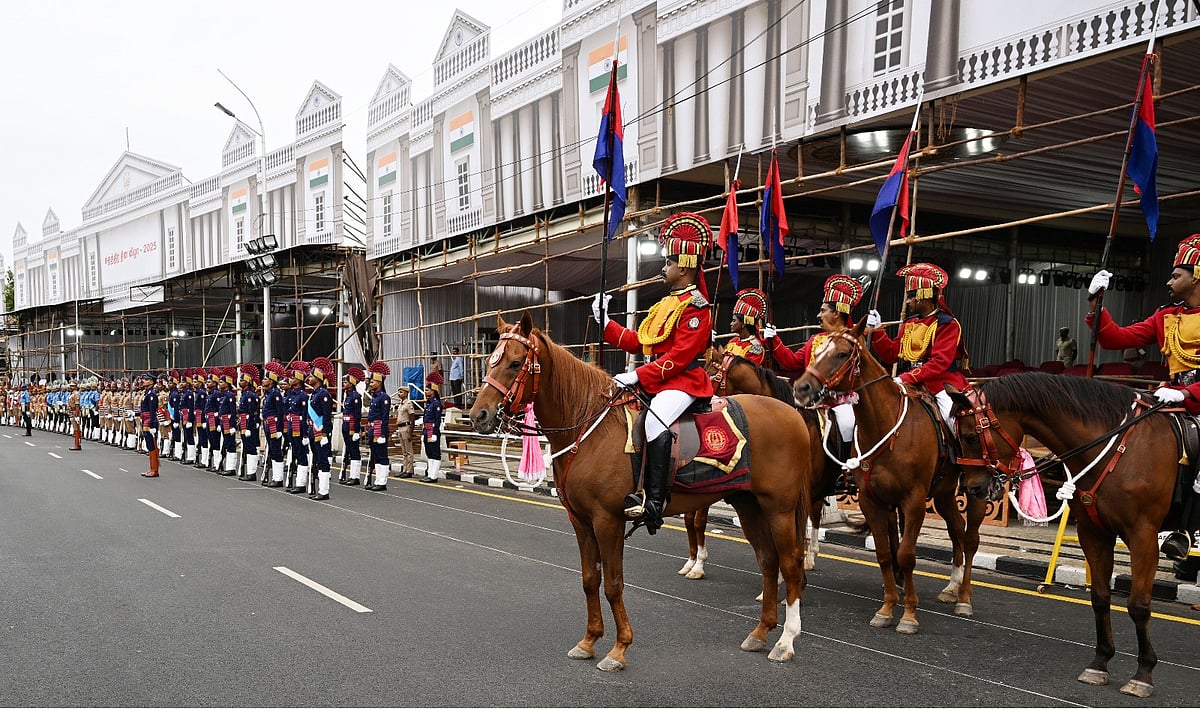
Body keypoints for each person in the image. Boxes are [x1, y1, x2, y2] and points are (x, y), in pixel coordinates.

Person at [592, 212, 715, 534]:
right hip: (658, 378)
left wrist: (638, 376)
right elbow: (639, 342)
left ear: (684, 267)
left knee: (656, 419)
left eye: (669, 262)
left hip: (682, 381)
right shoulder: (665, 304)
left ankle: (655, 501)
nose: (664, 268)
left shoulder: (696, 307)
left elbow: (680, 356)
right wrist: (605, 322)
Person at [1086, 234, 1200, 561]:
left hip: (1192, 397)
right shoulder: (1166, 316)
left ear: (1197, 277)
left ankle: (1189, 528)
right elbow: (1115, 337)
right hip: (1171, 397)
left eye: (1176, 275)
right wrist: (1096, 301)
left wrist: (1185, 391)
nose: (1169, 281)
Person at [765, 274, 865, 475]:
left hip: (840, 399)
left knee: (847, 424)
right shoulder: (815, 339)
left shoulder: (853, 339)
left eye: (823, 310)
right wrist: (775, 340)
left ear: (836, 313)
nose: (818, 315)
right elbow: (792, 362)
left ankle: (846, 470)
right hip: (810, 398)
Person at [865, 262, 969, 430]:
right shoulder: (909, 322)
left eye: (911, 296)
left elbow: (939, 363)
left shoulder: (947, 324)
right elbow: (891, 354)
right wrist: (877, 331)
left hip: (940, 383)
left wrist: (906, 378)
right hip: (910, 381)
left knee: (953, 421)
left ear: (924, 295)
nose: (908, 301)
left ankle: (957, 453)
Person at [307, 357, 335, 500]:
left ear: (317, 378)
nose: (308, 378)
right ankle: (319, 489)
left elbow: (326, 414)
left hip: (320, 432)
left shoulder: (323, 394)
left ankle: (324, 491)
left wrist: (325, 433)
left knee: (323, 460)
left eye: (311, 376)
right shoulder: (314, 394)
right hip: (313, 431)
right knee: (317, 459)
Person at [285, 361, 312, 494]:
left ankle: (301, 483)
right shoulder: (293, 394)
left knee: (301, 454)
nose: (290, 379)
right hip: (292, 426)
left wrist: (306, 434)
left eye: (293, 378)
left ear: (300, 380)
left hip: (299, 428)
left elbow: (305, 415)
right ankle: (297, 482)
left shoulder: (302, 396)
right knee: (296, 452)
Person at [365, 361, 392, 492]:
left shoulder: (384, 397)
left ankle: (382, 481)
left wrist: (382, 433)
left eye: (372, 382)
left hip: (379, 429)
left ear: (379, 383)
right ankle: (377, 479)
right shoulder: (374, 397)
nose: (370, 384)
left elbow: (385, 417)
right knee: (375, 455)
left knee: (382, 455)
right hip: (372, 429)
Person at [723, 288, 769, 365]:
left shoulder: (755, 348)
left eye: (734, 320)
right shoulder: (733, 341)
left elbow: (745, 372)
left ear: (743, 324)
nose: (731, 323)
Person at [261, 362, 288, 488]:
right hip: (268, 424)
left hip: (274, 426)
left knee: (276, 451)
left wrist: (279, 429)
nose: (263, 380)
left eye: (265, 378)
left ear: (271, 381)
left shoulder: (275, 393)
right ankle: (275, 477)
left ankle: (278, 478)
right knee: (272, 449)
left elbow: (280, 412)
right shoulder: (268, 393)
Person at [339, 366, 365, 486]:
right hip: (345, 425)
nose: (344, 383)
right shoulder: (348, 395)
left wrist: (356, 431)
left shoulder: (355, 397)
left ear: (352, 383)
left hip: (352, 427)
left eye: (346, 381)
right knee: (349, 450)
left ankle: (355, 476)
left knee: (354, 451)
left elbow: (357, 415)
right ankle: (350, 475)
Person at [237, 364, 261, 482]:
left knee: (251, 447)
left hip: (248, 423)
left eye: (242, 380)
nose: (239, 382)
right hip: (243, 421)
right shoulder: (244, 394)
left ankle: (252, 473)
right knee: (247, 446)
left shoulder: (250, 395)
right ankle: (249, 471)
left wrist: (249, 428)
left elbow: (252, 413)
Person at [392, 385, 419, 478]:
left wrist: (410, 433)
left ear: (406, 393)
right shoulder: (401, 404)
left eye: (401, 392)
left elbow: (412, 419)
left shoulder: (408, 404)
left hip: (406, 427)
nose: (399, 394)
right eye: (399, 392)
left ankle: (409, 470)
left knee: (409, 451)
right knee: (404, 451)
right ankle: (404, 469)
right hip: (400, 428)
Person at [420, 386, 445, 483]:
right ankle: (430, 473)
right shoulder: (428, 403)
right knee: (429, 453)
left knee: (435, 453)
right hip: (427, 430)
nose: (425, 392)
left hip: (432, 430)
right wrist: (423, 433)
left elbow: (437, 420)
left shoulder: (436, 404)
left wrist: (434, 433)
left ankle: (434, 475)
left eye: (427, 390)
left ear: (433, 391)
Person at [217, 368, 239, 475]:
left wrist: (232, 426)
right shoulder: (223, 395)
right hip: (223, 422)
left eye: (221, 382)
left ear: (227, 383)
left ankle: (231, 468)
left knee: (230, 444)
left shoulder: (230, 395)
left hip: (228, 423)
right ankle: (227, 466)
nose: (219, 384)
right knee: (226, 443)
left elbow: (233, 411)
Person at [138, 373, 161, 477]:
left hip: (149, 421)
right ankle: (152, 468)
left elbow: (152, 411)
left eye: (146, 379)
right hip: (145, 419)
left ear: (151, 382)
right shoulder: (147, 393)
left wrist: (152, 425)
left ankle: (154, 469)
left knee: (152, 445)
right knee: (149, 444)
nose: (144, 381)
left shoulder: (152, 394)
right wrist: (136, 414)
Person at [67, 380, 82, 451]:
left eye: (72, 386)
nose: (71, 387)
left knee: (77, 428)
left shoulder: (76, 394)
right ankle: (76, 444)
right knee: (75, 428)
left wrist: (76, 415)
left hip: (74, 411)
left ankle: (77, 444)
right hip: (71, 411)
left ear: (76, 387)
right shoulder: (71, 394)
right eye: (70, 386)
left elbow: (77, 405)